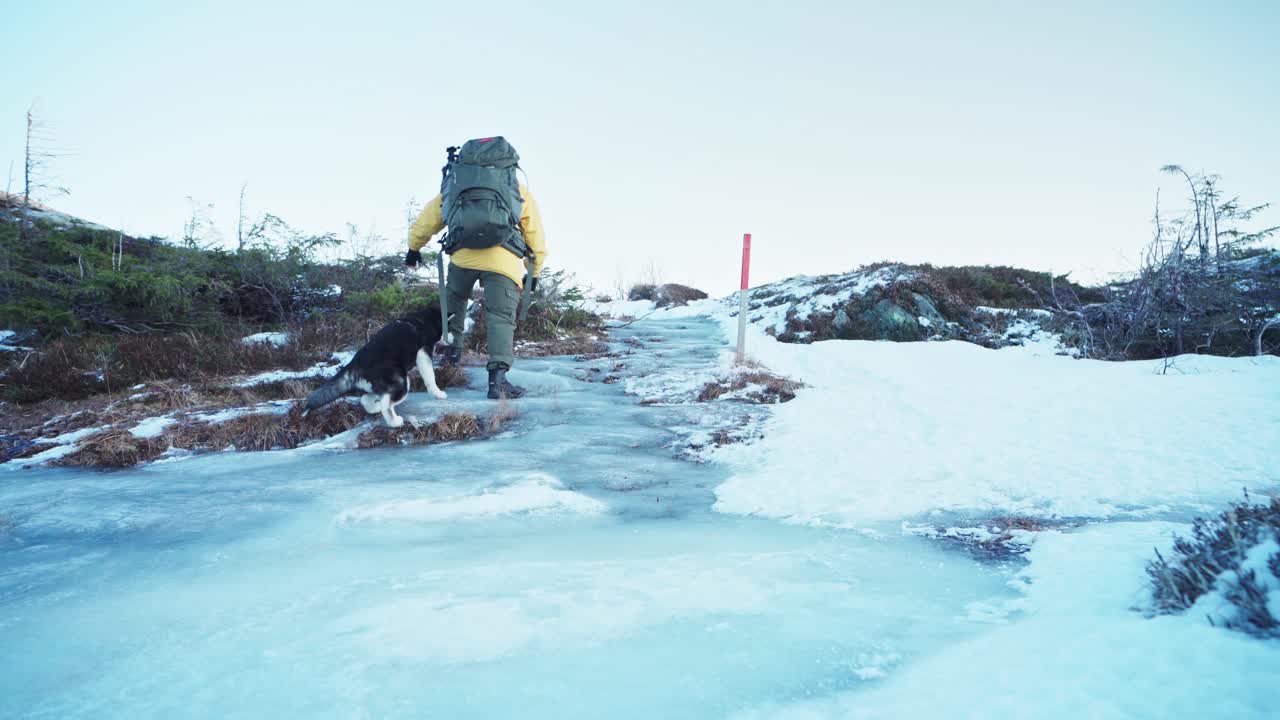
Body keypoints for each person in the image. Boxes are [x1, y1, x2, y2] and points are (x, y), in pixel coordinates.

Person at [404, 139, 546, 399]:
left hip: (462, 257)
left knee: (453, 307)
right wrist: (533, 271)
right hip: (503, 260)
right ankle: (498, 381)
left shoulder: (457, 184)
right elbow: (534, 231)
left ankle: (450, 360)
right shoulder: (516, 186)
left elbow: (429, 218)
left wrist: (414, 248)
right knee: (500, 318)